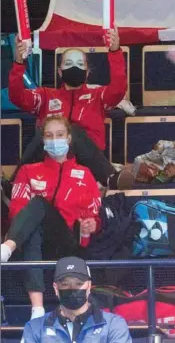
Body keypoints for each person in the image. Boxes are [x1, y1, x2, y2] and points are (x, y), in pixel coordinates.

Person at [1, 116, 102, 320]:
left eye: (59, 135)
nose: (54, 140)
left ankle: (6, 248)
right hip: (34, 242)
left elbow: (94, 215)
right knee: (34, 223)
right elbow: (17, 211)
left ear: (69, 138)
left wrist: (90, 226)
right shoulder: (28, 171)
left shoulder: (85, 174)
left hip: (68, 243)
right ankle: (37, 310)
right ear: (43, 140)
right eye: (49, 135)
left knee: (39, 204)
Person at [9, 29, 133, 190]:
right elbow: (17, 96)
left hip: (87, 163)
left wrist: (115, 51)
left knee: (72, 130)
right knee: (47, 130)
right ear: (60, 72)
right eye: (68, 64)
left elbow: (117, 89)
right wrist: (19, 63)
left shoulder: (98, 96)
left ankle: (109, 178)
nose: (74, 67)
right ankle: (13, 185)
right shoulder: (46, 96)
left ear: (87, 72)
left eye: (80, 64)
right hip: (51, 160)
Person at [21, 256, 132, 342]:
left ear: (89, 286)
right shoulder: (35, 328)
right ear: (56, 288)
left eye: (79, 284)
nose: (72, 289)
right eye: (65, 284)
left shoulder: (114, 324)